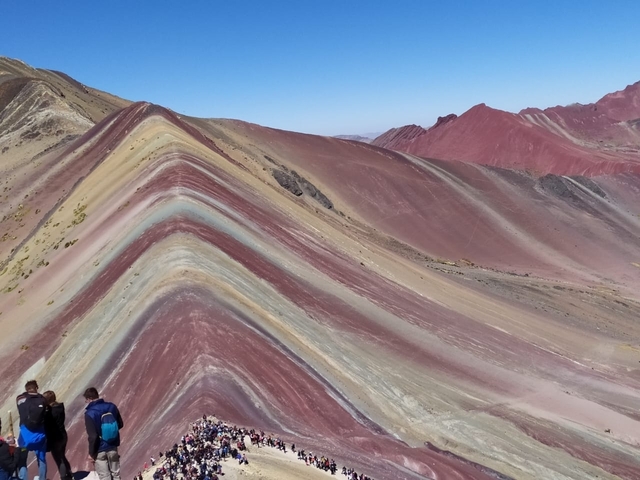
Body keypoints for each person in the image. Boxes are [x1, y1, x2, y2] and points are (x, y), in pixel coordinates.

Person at [84, 387, 124, 480]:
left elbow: (93, 436)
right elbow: (120, 424)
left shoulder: (89, 413)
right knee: (116, 475)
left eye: (86, 400)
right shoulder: (112, 406)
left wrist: (91, 453)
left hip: (99, 450)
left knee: (105, 477)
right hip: (113, 445)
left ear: (89, 399)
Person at [16, 380, 47, 480]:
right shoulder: (43, 399)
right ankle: (42, 478)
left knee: (22, 458)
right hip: (40, 436)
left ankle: (23, 478)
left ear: (26, 389)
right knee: (41, 459)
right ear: (36, 387)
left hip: (25, 436)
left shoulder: (20, 398)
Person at [43, 391, 73, 480]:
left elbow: (47, 424)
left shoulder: (51, 412)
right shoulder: (60, 407)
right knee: (62, 456)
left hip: (55, 438)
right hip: (63, 435)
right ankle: (69, 474)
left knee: (59, 459)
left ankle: (64, 477)